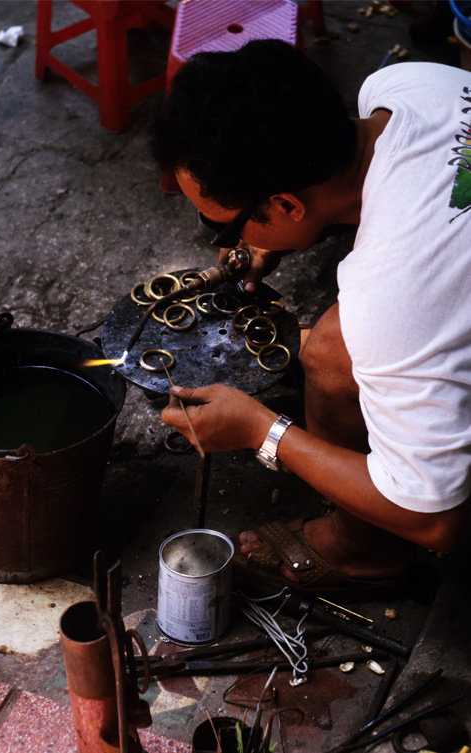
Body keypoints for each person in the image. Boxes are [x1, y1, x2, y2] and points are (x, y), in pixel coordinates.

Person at [151, 40, 471, 599]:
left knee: (344, 346)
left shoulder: (393, 295)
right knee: (329, 348)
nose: (229, 243)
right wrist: (278, 236)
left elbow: (435, 518)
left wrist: (262, 431)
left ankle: (365, 554)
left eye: (225, 227)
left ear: (287, 205)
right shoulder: (412, 85)